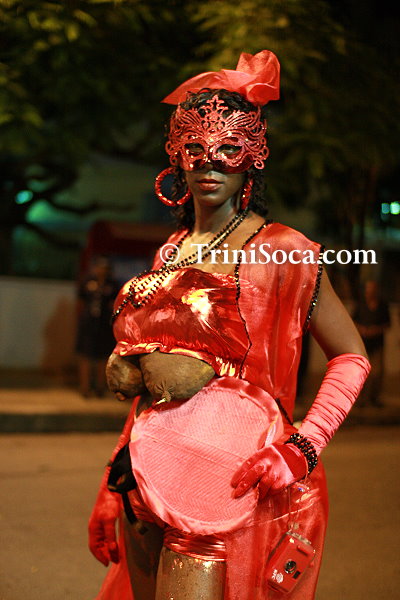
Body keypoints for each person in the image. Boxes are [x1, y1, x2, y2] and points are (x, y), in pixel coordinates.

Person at [88, 50, 370, 600]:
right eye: (195, 149)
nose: (209, 163)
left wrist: (302, 447)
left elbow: (351, 357)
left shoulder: (285, 250)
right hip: (145, 483)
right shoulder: (170, 251)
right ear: (177, 157)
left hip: (234, 489)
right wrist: (110, 484)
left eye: (227, 149)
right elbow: (151, 386)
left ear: (252, 157)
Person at [75, 256, 119, 397]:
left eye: (104, 268)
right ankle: (85, 386)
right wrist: (80, 319)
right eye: (99, 267)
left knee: (103, 356)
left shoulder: (112, 285)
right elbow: (80, 302)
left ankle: (100, 386)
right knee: (85, 355)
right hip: (88, 324)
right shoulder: (87, 282)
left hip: (105, 324)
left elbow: (115, 304)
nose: (101, 270)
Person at [353, 279, 390, 407]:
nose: (369, 293)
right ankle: (361, 399)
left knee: (377, 373)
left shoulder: (383, 305)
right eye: (368, 290)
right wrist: (362, 329)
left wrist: (376, 330)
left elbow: (387, 324)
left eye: (372, 290)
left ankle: (374, 398)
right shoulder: (360, 304)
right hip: (363, 344)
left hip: (377, 344)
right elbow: (353, 320)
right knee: (361, 372)